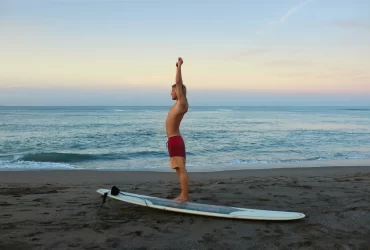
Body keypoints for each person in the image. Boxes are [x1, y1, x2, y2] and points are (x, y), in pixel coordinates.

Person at [165, 57, 189, 202]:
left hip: (176, 140)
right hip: (172, 140)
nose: (171, 93)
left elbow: (179, 83)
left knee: (182, 170)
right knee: (179, 170)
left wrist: (178, 66)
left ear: (178, 92)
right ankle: (183, 195)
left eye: (172, 91)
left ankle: (184, 196)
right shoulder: (177, 105)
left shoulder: (181, 103)